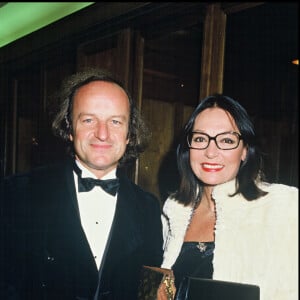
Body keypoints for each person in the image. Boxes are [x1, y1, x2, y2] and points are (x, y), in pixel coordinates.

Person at [0, 68, 163, 300]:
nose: (102, 134)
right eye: (88, 120)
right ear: (69, 128)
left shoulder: (148, 208)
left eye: (115, 122)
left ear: (129, 134)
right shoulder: (17, 193)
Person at [157, 94, 298, 300]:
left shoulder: (284, 207)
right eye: (200, 139)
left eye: (226, 140)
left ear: (244, 151)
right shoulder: (174, 211)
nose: (211, 152)